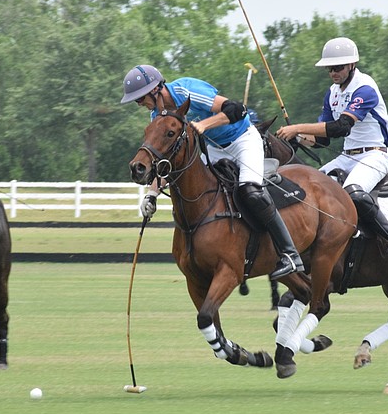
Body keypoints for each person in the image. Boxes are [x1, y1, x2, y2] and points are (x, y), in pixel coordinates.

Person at [121, 64, 303, 280]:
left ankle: (289, 253)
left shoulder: (186, 90)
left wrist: (205, 125)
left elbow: (236, 109)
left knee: (251, 191)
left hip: (242, 140)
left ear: (155, 90)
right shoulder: (158, 116)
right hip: (214, 148)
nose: (139, 104)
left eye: (140, 98)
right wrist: (152, 193)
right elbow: (165, 160)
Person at [275, 37, 388, 269]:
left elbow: (342, 126)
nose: (333, 72)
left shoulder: (365, 88)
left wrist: (297, 127)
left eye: (338, 67)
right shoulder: (332, 93)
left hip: (374, 155)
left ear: (352, 64)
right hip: (347, 155)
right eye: (329, 68)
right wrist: (298, 138)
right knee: (306, 190)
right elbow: (323, 140)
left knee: (353, 191)